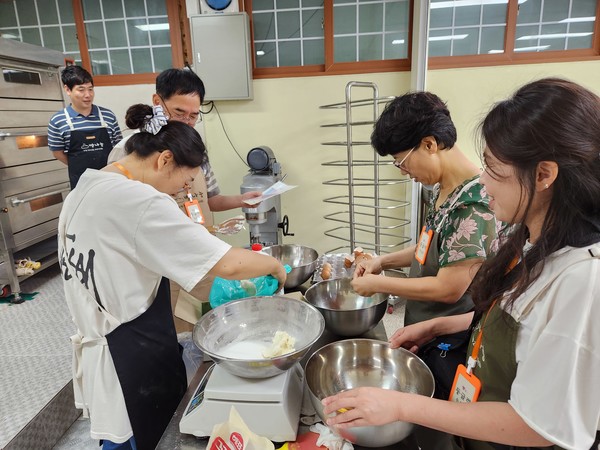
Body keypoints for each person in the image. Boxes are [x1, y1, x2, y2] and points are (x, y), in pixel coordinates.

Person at [323, 78, 600, 450]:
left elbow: (537, 424)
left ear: (544, 174)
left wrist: (402, 405)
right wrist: (441, 324)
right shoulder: (533, 241)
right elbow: (516, 326)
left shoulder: (582, 280)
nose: (483, 183)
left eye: (493, 168)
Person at [58, 104, 286, 450]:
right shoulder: (140, 200)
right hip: (129, 355)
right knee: (141, 439)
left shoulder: (88, 185)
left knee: (118, 442)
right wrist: (273, 265)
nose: (178, 193)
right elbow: (227, 265)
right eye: (181, 184)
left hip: (107, 342)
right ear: (164, 159)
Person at [352, 91, 498, 400]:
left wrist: (381, 283)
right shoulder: (444, 190)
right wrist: (383, 261)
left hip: (450, 339)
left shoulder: (473, 206)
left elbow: (449, 288)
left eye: (402, 163)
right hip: (424, 328)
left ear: (429, 144)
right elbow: (429, 247)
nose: (406, 173)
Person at [107, 68, 261, 332]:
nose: (187, 122)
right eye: (179, 113)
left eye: (194, 116)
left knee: (203, 327)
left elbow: (210, 200)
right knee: (168, 332)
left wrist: (241, 199)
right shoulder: (129, 152)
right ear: (158, 102)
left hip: (200, 258)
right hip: (158, 271)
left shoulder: (193, 146)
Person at [48, 65, 122, 188]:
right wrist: (78, 166)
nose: (88, 95)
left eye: (90, 89)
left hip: (111, 181)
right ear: (68, 90)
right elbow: (57, 153)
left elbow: (118, 147)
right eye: (81, 90)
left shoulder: (107, 116)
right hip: (81, 183)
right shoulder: (58, 120)